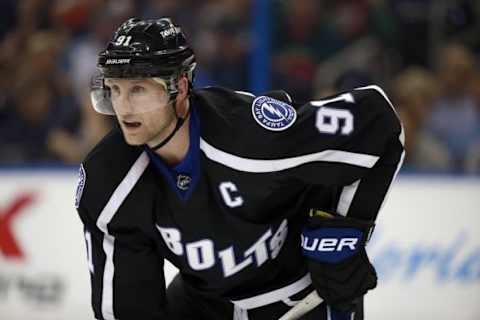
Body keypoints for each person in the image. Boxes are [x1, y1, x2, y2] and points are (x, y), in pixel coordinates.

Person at [75, 17, 404, 320]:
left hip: (302, 299)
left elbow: (378, 123)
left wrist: (344, 230)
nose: (123, 107)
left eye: (138, 89)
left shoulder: (251, 135)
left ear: (181, 88)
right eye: (115, 90)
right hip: (204, 304)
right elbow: (130, 309)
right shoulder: (110, 181)